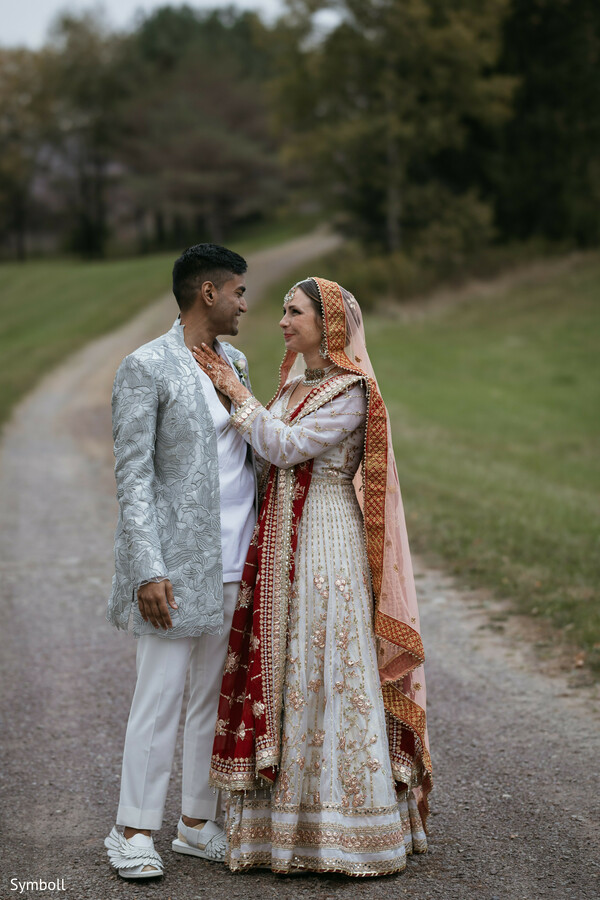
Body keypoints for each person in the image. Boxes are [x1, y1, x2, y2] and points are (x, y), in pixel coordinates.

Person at [193, 276, 432, 877]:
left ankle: (348, 829)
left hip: (327, 539)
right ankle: (285, 834)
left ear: (325, 324)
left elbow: (287, 446)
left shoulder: (352, 392)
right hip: (282, 540)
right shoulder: (295, 383)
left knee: (326, 663)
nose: (280, 321)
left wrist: (233, 391)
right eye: (280, 310)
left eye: (292, 311)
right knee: (287, 666)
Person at [104, 244, 257, 879]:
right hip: (173, 567)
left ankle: (196, 823)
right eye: (240, 292)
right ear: (209, 294)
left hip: (235, 559)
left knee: (211, 702)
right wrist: (147, 568)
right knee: (159, 697)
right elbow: (133, 477)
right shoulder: (146, 366)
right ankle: (132, 829)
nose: (247, 303)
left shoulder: (237, 361)